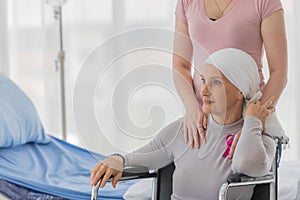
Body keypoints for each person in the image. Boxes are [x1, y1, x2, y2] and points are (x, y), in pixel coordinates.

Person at [91, 48, 277, 199]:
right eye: (204, 81)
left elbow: (248, 165)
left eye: (216, 83)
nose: (204, 91)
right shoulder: (187, 129)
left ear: (241, 90)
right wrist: (118, 159)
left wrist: (253, 120)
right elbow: (143, 156)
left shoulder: (260, 138)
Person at [173, 0, 287, 155]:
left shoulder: (264, 2)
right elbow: (180, 65)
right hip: (204, 126)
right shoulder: (187, 2)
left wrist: (253, 121)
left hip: (247, 122)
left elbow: (279, 73)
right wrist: (191, 107)